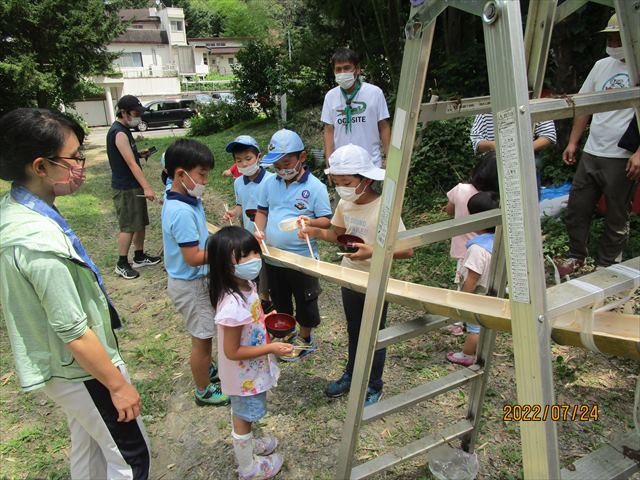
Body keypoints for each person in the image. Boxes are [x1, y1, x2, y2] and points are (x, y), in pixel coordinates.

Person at [0, 108, 150, 478]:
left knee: (90, 449)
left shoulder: (22, 209)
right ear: (40, 167)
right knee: (131, 457)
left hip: (69, 369)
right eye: (74, 157)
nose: (82, 164)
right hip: (81, 370)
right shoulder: (38, 242)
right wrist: (117, 385)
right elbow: (71, 329)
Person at [299, 144, 413, 405]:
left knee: (373, 333)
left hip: (376, 281)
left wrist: (372, 251)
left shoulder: (385, 206)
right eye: (337, 183)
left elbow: (406, 249)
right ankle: (352, 374)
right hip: (349, 277)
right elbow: (337, 235)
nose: (342, 188)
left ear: (367, 179)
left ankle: (373, 383)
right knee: (354, 329)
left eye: (347, 182)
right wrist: (314, 232)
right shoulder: (345, 203)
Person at [208, 226, 292, 480]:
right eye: (245, 256)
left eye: (256, 252)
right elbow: (232, 351)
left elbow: (248, 323)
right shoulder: (231, 305)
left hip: (251, 369)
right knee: (242, 417)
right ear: (225, 263)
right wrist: (271, 347)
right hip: (243, 375)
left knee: (246, 413)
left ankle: (249, 444)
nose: (255, 260)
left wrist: (263, 318)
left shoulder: (246, 285)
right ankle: (248, 467)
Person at [558, 14, 637, 276]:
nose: (613, 41)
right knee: (577, 207)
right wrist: (573, 141)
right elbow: (585, 105)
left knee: (616, 213)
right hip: (593, 150)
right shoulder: (602, 65)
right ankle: (575, 256)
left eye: (618, 36)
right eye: (609, 37)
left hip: (621, 154)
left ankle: (608, 264)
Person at [253, 129, 332, 361]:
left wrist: (310, 221)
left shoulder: (315, 187)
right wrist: (259, 231)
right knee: (280, 299)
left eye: (286, 162)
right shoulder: (270, 184)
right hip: (274, 256)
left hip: (302, 258)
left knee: (306, 299)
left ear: (302, 158)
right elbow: (262, 211)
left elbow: (326, 220)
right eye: (276, 165)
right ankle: (287, 336)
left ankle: (305, 338)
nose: (281, 169)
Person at [161, 139, 228, 406]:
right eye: (201, 174)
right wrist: (227, 249)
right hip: (191, 283)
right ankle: (203, 389)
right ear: (181, 174)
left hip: (190, 282)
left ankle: (206, 370)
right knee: (202, 338)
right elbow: (193, 258)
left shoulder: (182, 195)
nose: (205, 181)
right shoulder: (182, 212)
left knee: (203, 331)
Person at [444, 152, 498, 335]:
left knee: (465, 284)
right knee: (484, 284)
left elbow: (449, 210)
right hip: (491, 250)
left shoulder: (461, 189)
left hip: (465, 250)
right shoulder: (496, 198)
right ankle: (482, 317)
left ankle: (460, 322)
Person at [107, 95, 161, 280]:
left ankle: (139, 256)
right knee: (129, 225)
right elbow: (131, 164)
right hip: (126, 187)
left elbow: (130, 156)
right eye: (135, 113)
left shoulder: (124, 130)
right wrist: (147, 187)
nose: (138, 116)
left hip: (132, 185)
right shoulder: (119, 132)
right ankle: (122, 263)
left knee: (139, 222)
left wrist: (140, 154)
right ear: (124, 112)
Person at [446, 191, 500, 367]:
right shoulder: (497, 243)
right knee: (483, 323)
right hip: (491, 290)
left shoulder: (477, 249)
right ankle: (480, 349)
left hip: (476, 294)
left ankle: (467, 355)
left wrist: (464, 298)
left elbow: (473, 277)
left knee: (474, 327)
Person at [223, 135, 274, 310]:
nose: (244, 164)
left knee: (270, 271)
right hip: (249, 235)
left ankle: (269, 301)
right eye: (239, 160)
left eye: (248, 158)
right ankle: (259, 303)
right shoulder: (238, 182)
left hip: (269, 236)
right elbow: (240, 206)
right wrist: (233, 212)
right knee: (254, 271)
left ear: (259, 157)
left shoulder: (271, 180)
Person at [321, 48, 391, 168]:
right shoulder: (330, 96)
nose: (342, 72)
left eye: (347, 68)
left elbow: (384, 126)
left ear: (357, 69)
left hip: (370, 165)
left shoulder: (374, 93)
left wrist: (390, 157)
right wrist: (329, 160)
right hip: (342, 167)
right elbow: (329, 130)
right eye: (338, 69)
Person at [470, 112, 556, 194]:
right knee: (491, 203)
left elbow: (548, 135)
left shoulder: (531, 102)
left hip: (525, 159)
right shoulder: (487, 108)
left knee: (527, 202)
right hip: (494, 164)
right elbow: (476, 140)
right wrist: (494, 145)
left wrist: (521, 150)